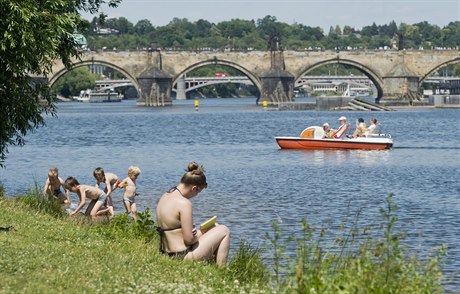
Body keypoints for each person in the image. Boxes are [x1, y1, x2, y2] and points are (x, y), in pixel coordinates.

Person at [155, 162, 230, 266]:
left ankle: (212, 268)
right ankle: (221, 272)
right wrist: (200, 232)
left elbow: (173, 228)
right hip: (182, 256)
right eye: (198, 192)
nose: (196, 195)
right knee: (224, 230)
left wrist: (194, 231)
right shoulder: (184, 203)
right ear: (194, 188)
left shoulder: (165, 196)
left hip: (167, 253)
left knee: (215, 227)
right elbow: (189, 240)